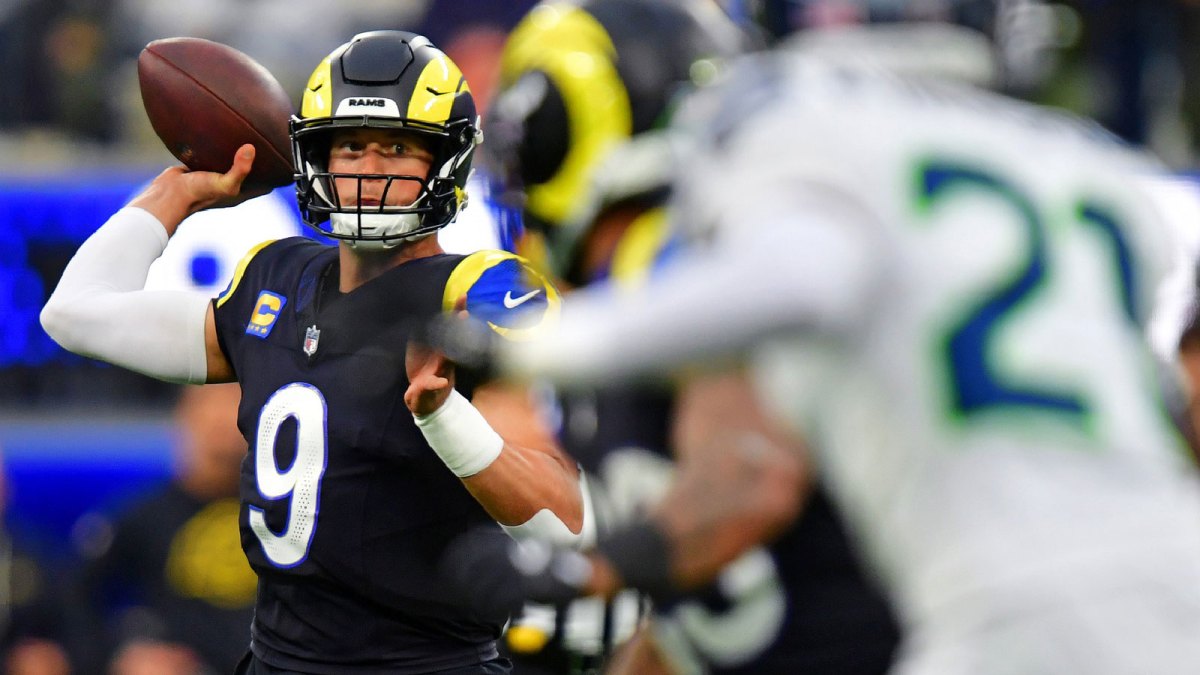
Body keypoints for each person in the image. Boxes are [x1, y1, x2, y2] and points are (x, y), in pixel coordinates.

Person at [445, 2, 1200, 673]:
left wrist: (536, 349)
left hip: (994, 611)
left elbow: (762, 424)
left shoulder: (767, 213)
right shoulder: (1098, 172)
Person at [41, 30, 590, 674]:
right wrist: (178, 192)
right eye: (350, 143)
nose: (369, 166)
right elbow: (74, 314)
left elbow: (570, 522)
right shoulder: (274, 279)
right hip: (278, 661)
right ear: (316, 156)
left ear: (446, 161)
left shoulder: (480, 292)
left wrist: (447, 420)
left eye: (398, 147)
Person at [481, 0, 898, 672]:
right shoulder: (646, 287)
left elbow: (751, 474)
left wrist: (587, 573)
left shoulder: (683, 269)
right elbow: (697, 624)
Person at [77, 383, 255, 675]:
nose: (223, 418)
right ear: (183, 415)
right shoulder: (144, 516)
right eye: (210, 404)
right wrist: (118, 653)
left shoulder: (286, 515)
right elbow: (76, 596)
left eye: (234, 404)